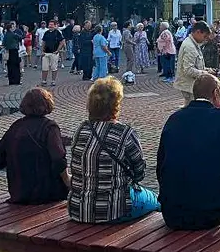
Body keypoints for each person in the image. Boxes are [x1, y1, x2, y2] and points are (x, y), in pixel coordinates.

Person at [157, 74, 220, 230]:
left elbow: (161, 164)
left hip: (173, 212)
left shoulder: (174, 119)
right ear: (215, 93)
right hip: (208, 212)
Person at [67, 77, 159, 224]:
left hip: (78, 209)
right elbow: (139, 172)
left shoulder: (81, 129)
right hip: (114, 210)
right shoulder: (125, 133)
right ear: (116, 104)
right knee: (155, 200)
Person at [0, 87, 69, 204]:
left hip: (19, 193)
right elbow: (58, 160)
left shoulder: (16, 126)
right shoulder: (49, 127)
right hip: (46, 194)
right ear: (47, 104)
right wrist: (67, 180)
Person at [174, 21, 213, 106]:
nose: (205, 39)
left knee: (190, 109)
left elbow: (196, 65)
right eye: (204, 36)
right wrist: (205, 74)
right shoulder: (190, 47)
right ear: (198, 32)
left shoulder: (193, 43)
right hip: (190, 86)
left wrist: (207, 70)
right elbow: (188, 70)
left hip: (192, 85)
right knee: (194, 109)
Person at [40, 20, 65, 87]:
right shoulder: (46, 32)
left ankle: (53, 81)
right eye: (49, 25)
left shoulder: (57, 33)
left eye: (51, 25)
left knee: (54, 68)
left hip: (54, 53)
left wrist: (57, 50)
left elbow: (62, 42)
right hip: (46, 53)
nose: (50, 26)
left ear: (55, 25)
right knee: (44, 68)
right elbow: (43, 42)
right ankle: (44, 81)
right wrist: (42, 51)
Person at [3, 21, 23, 86]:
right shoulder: (13, 34)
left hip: (8, 51)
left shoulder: (6, 35)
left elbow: (3, 43)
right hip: (14, 51)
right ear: (10, 28)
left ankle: (11, 81)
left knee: (10, 67)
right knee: (16, 66)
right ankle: (17, 81)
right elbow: (21, 37)